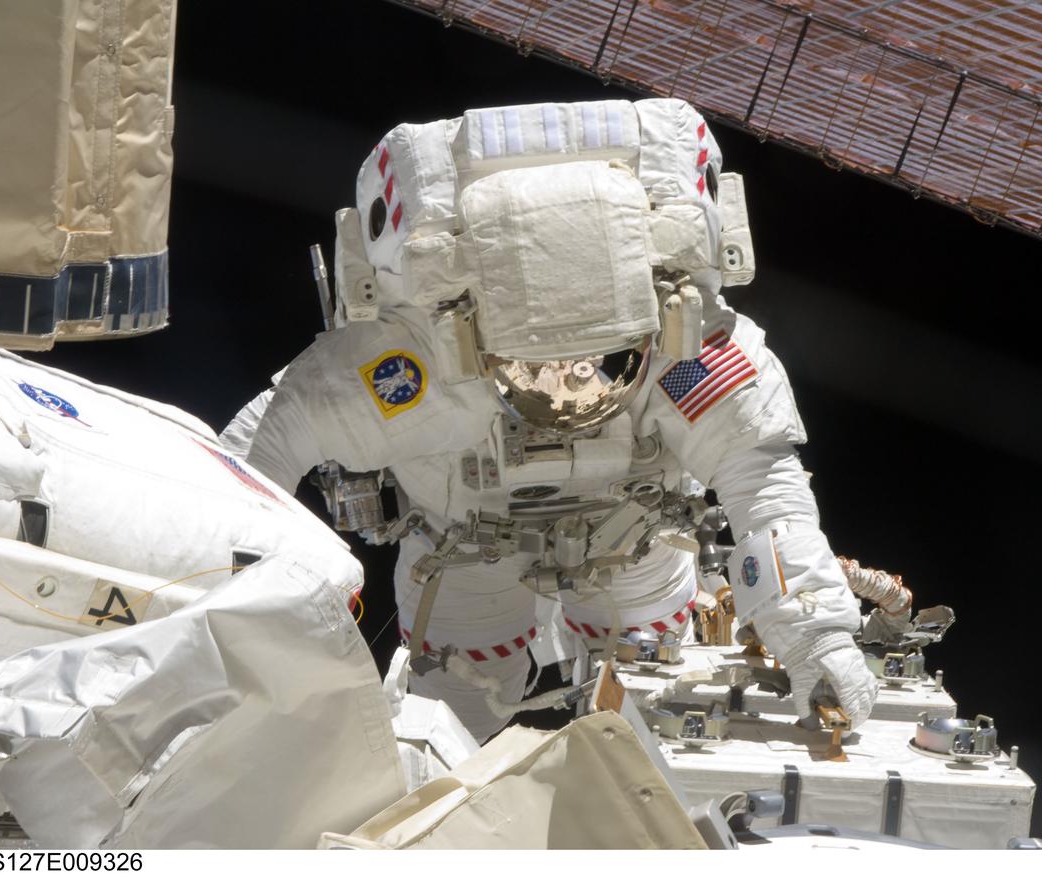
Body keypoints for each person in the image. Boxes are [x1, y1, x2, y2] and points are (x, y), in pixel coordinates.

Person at [222, 97, 878, 741]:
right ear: (476, 343)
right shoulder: (421, 368)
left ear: (648, 329)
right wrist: (224, 611)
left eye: (599, 362)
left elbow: (764, 490)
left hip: (635, 545)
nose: (569, 386)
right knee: (451, 726)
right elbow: (259, 453)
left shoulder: (680, 352)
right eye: (538, 369)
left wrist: (817, 639)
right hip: (466, 552)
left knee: (650, 727)